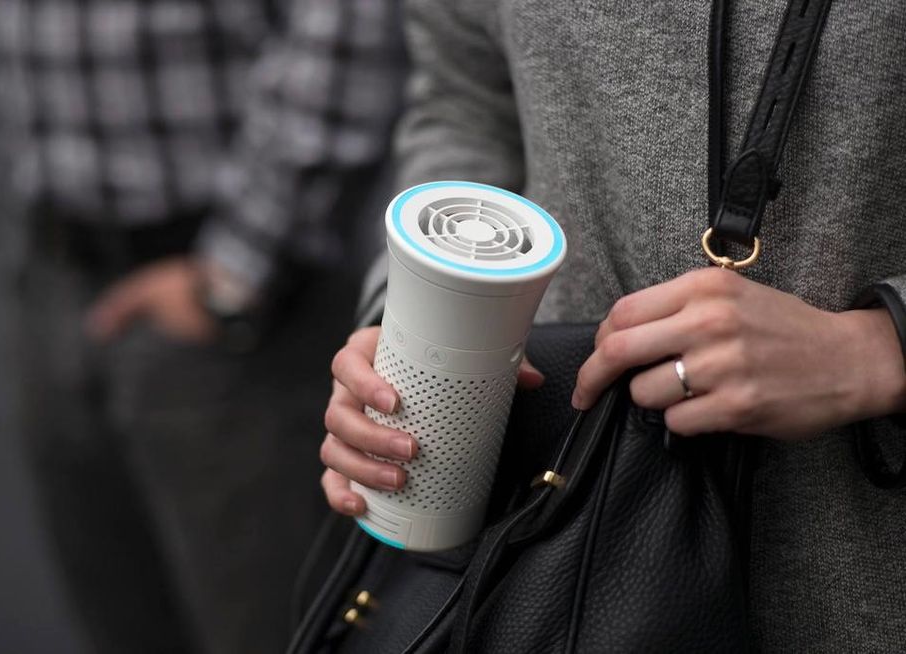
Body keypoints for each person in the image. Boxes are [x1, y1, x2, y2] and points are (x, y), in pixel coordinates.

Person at [317, 1, 906, 650]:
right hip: (543, 519)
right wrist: (405, 330)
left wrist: (881, 349)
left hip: (861, 550)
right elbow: (466, 102)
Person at [0, 0, 406, 651]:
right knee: (125, 621)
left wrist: (236, 272)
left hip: (234, 301)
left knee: (270, 627)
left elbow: (351, 25)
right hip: (50, 269)